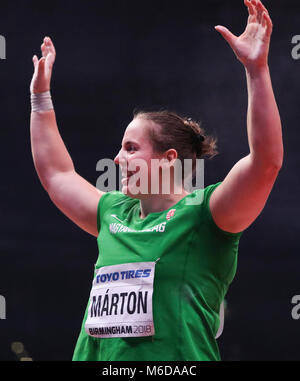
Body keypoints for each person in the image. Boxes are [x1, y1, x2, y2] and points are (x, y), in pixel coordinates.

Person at [30, 0, 283, 361]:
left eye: (131, 148)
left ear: (168, 161)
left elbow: (266, 163)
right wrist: (40, 99)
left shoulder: (206, 216)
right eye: (120, 149)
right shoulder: (112, 213)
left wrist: (257, 71)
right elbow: (57, 174)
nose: (118, 159)